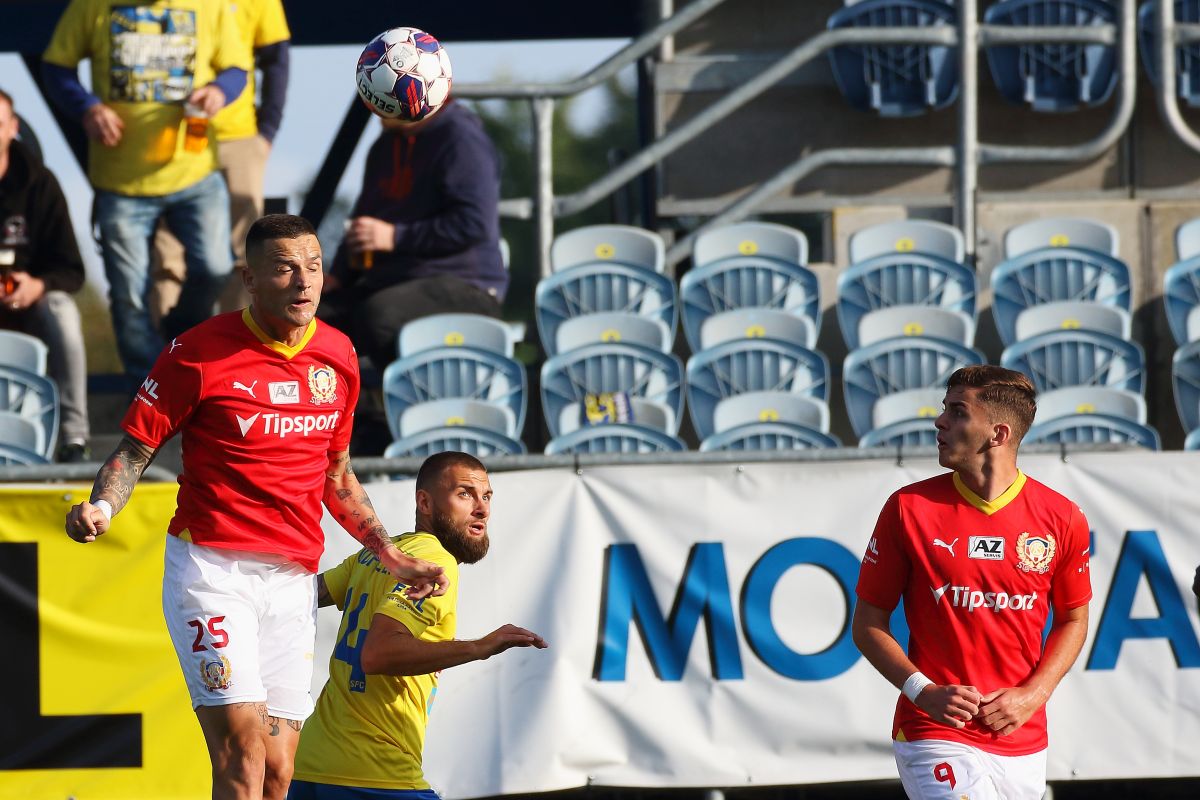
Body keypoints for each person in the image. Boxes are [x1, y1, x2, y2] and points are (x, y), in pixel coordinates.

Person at [64, 214, 449, 800]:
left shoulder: (338, 354)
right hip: (212, 572)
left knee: (277, 772)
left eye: (313, 266)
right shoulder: (197, 352)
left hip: (293, 580)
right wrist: (102, 506)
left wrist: (389, 553)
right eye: (285, 268)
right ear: (250, 279)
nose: (304, 281)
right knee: (243, 754)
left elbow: (337, 474)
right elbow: (135, 451)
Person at [852, 365, 1091, 800]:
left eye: (957, 412)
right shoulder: (908, 508)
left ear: (999, 434)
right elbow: (867, 623)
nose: (939, 422)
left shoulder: (1062, 517)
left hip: (1020, 736)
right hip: (934, 729)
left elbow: (1073, 619)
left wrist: (1033, 695)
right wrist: (922, 692)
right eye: (944, 409)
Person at [288, 451, 547, 799]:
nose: (482, 509)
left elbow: (298, 596)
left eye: (486, 496)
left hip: (309, 765)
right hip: (373, 771)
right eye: (465, 494)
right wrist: (478, 647)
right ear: (424, 502)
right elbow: (377, 654)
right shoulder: (436, 561)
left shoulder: (381, 553)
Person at [41, 0, 251, 377]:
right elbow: (56, 67)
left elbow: (237, 68)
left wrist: (219, 90)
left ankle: (179, 331)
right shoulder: (91, 6)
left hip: (196, 172)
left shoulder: (211, 5)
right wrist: (87, 107)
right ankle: (149, 389)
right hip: (121, 181)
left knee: (217, 267)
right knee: (129, 297)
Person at [317, 99, 508, 371]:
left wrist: (395, 237)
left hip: (467, 285)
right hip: (391, 282)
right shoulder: (384, 147)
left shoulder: (461, 138)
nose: (376, 105)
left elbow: (474, 223)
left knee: (379, 317)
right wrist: (338, 276)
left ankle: (395, 396)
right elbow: (362, 222)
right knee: (311, 320)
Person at [152, 0, 292, 322]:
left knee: (246, 254)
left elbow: (276, 60)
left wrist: (266, 132)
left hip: (237, 137)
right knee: (167, 256)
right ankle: (170, 347)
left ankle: (236, 345)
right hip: (171, 136)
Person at [0, 87, 91, 462]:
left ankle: (74, 437)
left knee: (61, 309)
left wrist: (37, 286)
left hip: (30, 306)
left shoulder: (40, 183)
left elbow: (71, 269)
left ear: (13, 128)